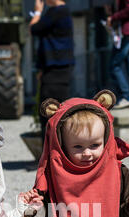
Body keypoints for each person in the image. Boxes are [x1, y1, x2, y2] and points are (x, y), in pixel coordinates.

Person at [29, 0, 74, 144]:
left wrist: (37, 12)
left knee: (52, 114)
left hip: (57, 71)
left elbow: (34, 29)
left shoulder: (59, 11)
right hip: (52, 69)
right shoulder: (56, 12)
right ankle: (49, 156)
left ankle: (53, 157)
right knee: (50, 114)